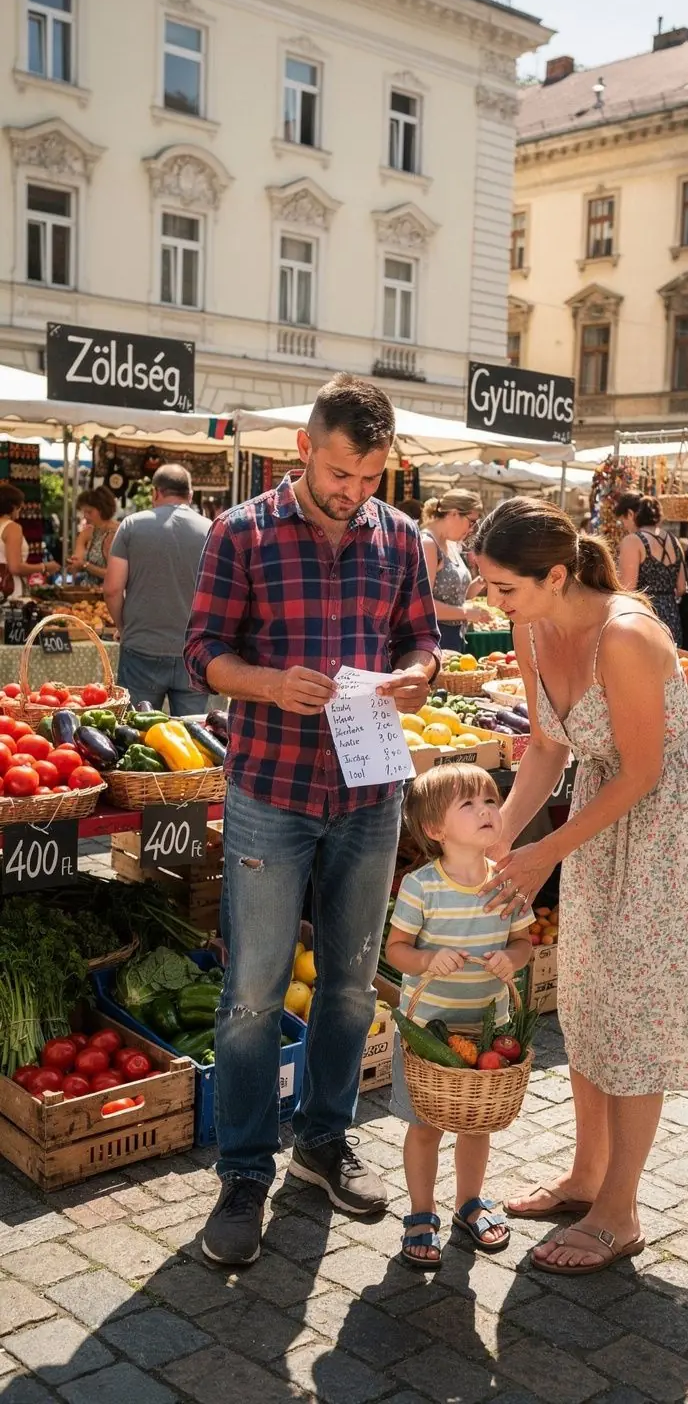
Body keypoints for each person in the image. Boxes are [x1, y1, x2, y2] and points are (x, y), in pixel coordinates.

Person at [183, 373, 441, 1267]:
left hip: (370, 796)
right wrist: (266, 684)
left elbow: (424, 639)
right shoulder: (240, 532)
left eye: (371, 477)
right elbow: (203, 652)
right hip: (270, 792)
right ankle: (245, 1172)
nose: (354, 492)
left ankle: (324, 1145)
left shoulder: (401, 538)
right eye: (341, 473)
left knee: (349, 984)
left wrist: (418, 675)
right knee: (253, 995)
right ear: (304, 447)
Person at [472, 498, 688, 1277]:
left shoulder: (627, 635)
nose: (494, 603)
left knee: (636, 1011)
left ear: (556, 575)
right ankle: (585, 1178)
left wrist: (545, 852)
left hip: (669, 826)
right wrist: (506, 836)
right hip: (601, 818)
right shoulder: (531, 627)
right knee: (590, 996)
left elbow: (646, 772)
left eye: (504, 588)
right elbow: (547, 748)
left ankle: (620, 1211)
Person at [385, 765, 533, 1269]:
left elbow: (523, 942)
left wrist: (511, 960)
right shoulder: (421, 887)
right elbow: (397, 950)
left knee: (477, 1123)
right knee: (425, 1126)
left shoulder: (505, 883)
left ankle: (469, 1202)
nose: (486, 811)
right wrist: (428, 960)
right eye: (468, 805)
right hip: (427, 1032)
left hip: (487, 1031)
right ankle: (421, 1212)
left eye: (490, 800)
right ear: (435, 830)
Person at [104, 464, 211, 715]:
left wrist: (124, 628)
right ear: (191, 495)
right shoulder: (211, 529)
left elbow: (112, 589)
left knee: (134, 735)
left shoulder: (131, 525)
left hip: (142, 647)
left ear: (155, 493)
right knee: (193, 738)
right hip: (193, 651)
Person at [421, 491, 492, 650]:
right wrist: (466, 613)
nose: (472, 529)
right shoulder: (428, 544)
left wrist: (481, 582)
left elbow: (456, 597)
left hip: (453, 636)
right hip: (433, 639)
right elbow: (423, 605)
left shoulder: (451, 544)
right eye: (471, 521)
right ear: (454, 514)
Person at [616, 497, 687, 645]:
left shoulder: (633, 541)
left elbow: (628, 588)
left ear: (635, 515)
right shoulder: (674, 541)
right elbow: (681, 588)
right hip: (672, 618)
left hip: (644, 617)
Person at [0, 485, 59, 596]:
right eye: (20, 507)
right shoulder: (12, 528)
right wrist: (44, 567)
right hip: (8, 588)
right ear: (12, 506)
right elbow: (15, 567)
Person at [67, 487, 119, 583]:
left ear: (102, 509)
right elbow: (77, 561)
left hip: (108, 593)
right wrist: (73, 564)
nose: (85, 516)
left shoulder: (117, 534)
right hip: (87, 593)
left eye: (89, 512)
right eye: (84, 512)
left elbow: (115, 574)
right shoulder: (87, 533)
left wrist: (85, 565)